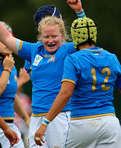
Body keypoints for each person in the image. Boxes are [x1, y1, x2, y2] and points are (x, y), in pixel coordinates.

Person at [0, 0, 85, 148]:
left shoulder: (68, 50)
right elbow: (4, 36)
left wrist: (80, 12)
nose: (50, 40)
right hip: (36, 117)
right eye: (46, 37)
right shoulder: (33, 50)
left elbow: (85, 36)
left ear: (62, 36)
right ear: (40, 36)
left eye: (54, 36)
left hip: (60, 117)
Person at [34, 17, 121, 147]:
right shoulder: (112, 58)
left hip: (82, 122)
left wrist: (45, 123)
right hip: (110, 123)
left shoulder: (73, 59)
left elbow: (65, 93)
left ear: (75, 35)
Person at [0, 22, 30, 148]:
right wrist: (7, 70)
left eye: (10, 41)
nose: (8, 44)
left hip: (11, 124)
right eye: (4, 41)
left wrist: (26, 118)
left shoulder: (9, 62)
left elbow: (11, 95)